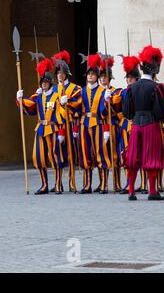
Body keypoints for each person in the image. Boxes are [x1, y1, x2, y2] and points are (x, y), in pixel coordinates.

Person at [123, 45, 164, 201]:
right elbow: (163, 111)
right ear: (154, 70)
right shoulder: (157, 87)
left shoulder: (132, 87)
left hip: (136, 124)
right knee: (152, 157)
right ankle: (152, 191)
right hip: (151, 124)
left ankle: (131, 191)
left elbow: (127, 112)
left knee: (133, 157)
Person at [16, 58, 67, 195]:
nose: (44, 84)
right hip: (40, 129)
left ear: (50, 83)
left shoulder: (57, 96)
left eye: (46, 82)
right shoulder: (38, 96)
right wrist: (20, 98)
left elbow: (62, 115)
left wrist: (62, 104)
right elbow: (29, 105)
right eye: (42, 82)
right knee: (38, 157)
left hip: (52, 129)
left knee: (55, 157)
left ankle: (58, 184)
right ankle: (44, 184)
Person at [114, 55, 149, 195]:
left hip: (139, 123)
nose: (129, 79)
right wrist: (109, 100)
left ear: (136, 79)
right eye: (127, 77)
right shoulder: (121, 92)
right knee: (127, 155)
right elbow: (115, 110)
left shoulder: (141, 90)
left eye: (131, 77)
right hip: (125, 126)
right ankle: (130, 183)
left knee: (142, 153)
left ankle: (144, 183)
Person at [78, 54, 110, 194]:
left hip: (97, 123)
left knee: (100, 152)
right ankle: (88, 184)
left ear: (97, 76)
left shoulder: (103, 91)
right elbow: (76, 108)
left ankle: (104, 184)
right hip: (84, 123)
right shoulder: (82, 91)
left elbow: (105, 113)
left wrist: (107, 101)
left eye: (92, 74)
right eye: (88, 74)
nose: (90, 76)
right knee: (85, 153)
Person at [52, 50, 81, 193]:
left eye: (62, 73)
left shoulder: (75, 88)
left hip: (69, 125)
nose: (59, 75)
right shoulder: (53, 89)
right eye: (57, 73)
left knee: (70, 156)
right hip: (56, 126)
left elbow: (79, 104)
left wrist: (68, 101)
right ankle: (58, 184)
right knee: (57, 155)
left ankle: (72, 182)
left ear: (66, 74)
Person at [99, 56, 122, 193]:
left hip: (113, 125)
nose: (103, 79)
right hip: (102, 126)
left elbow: (118, 107)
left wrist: (110, 99)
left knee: (115, 154)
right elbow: (99, 111)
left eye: (105, 77)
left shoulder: (116, 91)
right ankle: (104, 184)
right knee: (103, 154)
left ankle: (117, 183)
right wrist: (104, 100)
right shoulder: (98, 92)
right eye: (101, 77)